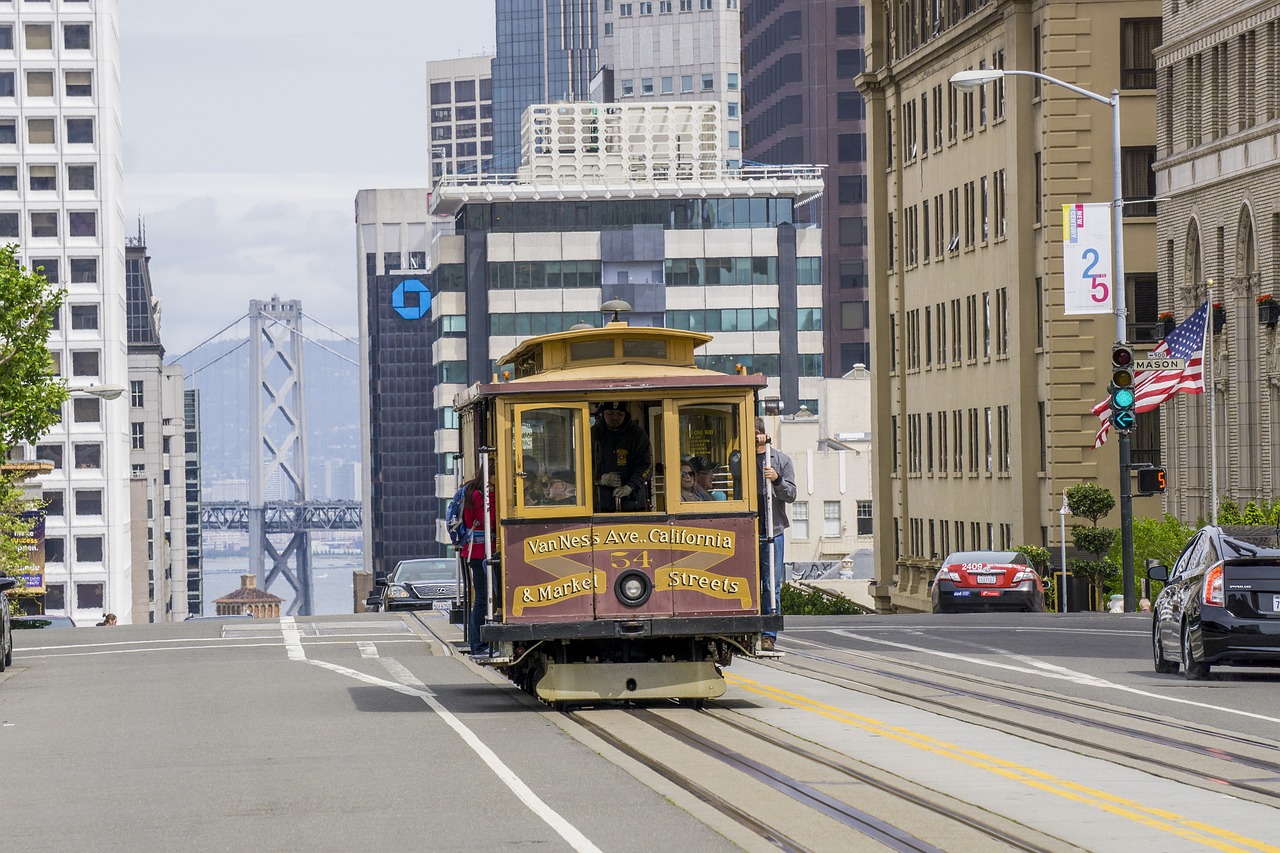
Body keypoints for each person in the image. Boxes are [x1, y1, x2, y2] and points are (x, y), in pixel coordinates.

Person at [755, 417, 795, 651]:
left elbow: (790, 494)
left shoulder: (780, 460)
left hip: (773, 531)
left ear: (761, 434)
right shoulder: (740, 458)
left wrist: (777, 479)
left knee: (772, 585)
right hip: (747, 532)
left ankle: (769, 634)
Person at [461, 470, 497, 656]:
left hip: (480, 552)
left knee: (484, 599)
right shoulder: (476, 495)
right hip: (479, 553)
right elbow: (489, 519)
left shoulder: (475, 493)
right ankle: (478, 645)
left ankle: (481, 644)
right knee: (482, 599)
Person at [591, 401, 651, 512]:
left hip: (633, 504)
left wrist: (630, 487)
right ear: (603, 413)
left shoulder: (638, 435)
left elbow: (646, 466)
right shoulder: (593, 434)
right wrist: (600, 478)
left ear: (625, 415)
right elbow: (582, 465)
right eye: (610, 413)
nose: (615, 417)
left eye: (620, 414)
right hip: (599, 505)